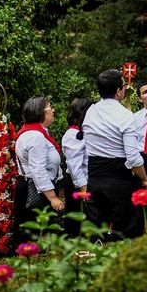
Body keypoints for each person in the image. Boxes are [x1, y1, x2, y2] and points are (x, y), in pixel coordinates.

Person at [83, 69, 147, 240]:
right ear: (118, 91)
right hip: (119, 179)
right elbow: (133, 157)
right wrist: (144, 179)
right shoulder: (125, 116)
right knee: (126, 231)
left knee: (96, 231)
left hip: (95, 177)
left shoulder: (90, 112)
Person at [12, 96, 65, 245]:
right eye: (50, 107)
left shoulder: (37, 132)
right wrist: (53, 197)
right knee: (35, 234)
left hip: (35, 187)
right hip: (35, 190)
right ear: (40, 112)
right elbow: (38, 170)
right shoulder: (35, 137)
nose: (53, 110)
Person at [62, 97, 95, 237]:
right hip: (78, 183)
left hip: (85, 181)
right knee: (77, 222)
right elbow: (74, 165)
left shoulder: (82, 131)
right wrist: (83, 188)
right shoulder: (73, 134)